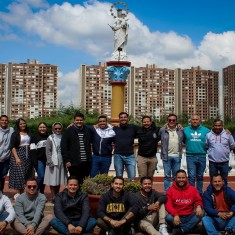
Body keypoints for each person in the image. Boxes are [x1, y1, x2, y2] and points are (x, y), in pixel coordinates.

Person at [165, 169, 203, 235]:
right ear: (175, 178)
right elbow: (168, 205)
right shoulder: (170, 190)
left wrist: (199, 206)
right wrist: (175, 214)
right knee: (168, 217)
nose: (181, 180)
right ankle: (190, 228)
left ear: (186, 178)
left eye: (183, 177)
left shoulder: (192, 189)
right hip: (177, 216)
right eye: (179, 178)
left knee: (203, 212)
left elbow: (198, 200)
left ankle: (182, 229)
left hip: (190, 216)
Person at [61, 112, 92, 184]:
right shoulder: (68, 131)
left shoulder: (87, 130)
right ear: (74, 120)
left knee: (84, 181)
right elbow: (64, 146)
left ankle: (82, 195)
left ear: (83, 120)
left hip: (86, 162)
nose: (79, 122)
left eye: (81, 120)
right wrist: (67, 160)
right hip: (73, 162)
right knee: (74, 180)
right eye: (77, 120)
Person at [183, 114, 210, 195]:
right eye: (193, 119)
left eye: (196, 119)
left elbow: (215, 134)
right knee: (191, 176)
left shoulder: (206, 130)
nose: (194, 121)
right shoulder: (185, 130)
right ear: (190, 121)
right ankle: (191, 193)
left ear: (199, 121)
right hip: (190, 156)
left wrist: (225, 130)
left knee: (200, 176)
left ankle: (199, 193)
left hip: (202, 156)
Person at [9, 118, 34, 199]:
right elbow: (12, 147)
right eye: (20, 124)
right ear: (18, 125)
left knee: (27, 173)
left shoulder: (29, 133)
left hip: (28, 154)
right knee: (19, 174)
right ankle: (18, 193)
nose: (23, 125)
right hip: (18, 153)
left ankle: (24, 192)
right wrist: (17, 158)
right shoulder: (15, 134)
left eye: (24, 123)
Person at [158, 114, 184, 192]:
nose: (171, 121)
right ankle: (167, 192)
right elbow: (157, 137)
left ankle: (176, 191)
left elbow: (185, 139)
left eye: (173, 120)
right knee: (167, 176)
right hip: (166, 156)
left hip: (177, 156)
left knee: (176, 177)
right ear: (167, 121)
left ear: (176, 121)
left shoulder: (180, 130)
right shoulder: (163, 130)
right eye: (170, 120)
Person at [206, 119, 235, 185]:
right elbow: (207, 146)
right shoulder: (208, 135)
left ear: (222, 126)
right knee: (213, 181)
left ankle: (224, 194)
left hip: (224, 162)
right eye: (216, 125)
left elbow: (232, 145)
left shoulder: (228, 134)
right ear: (213, 126)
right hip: (213, 162)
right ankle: (212, 195)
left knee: (224, 181)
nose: (217, 127)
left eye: (219, 125)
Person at [44, 122, 67, 202]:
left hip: (61, 161)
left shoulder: (63, 137)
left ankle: (57, 196)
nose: (57, 130)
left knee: (58, 180)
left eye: (59, 128)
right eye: (56, 128)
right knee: (53, 180)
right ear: (53, 129)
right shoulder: (50, 137)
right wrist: (50, 161)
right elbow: (48, 151)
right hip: (53, 161)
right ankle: (53, 196)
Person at [113, 112, 138, 180]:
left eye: (125, 117)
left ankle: (130, 191)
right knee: (119, 176)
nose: (123, 118)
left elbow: (144, 132)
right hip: (118, 155)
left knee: (132, 177)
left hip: (130, 155)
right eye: (121, 117)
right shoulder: (115, 129)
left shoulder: (133, 128)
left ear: (128, 118)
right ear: (119, 119)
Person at [30, 122, 49, 194]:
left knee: (44, 178)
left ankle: (41, 193)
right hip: (39, 160)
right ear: (38, 128)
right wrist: (35, 162)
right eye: (41, 127)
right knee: (41, 176)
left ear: (46, 128)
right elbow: (32, 150)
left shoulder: (49, 137)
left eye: (44, 127)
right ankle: (33, 191)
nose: (42, 129)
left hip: (47, 161)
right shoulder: (34, 137)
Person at [0, 115, 14, 192]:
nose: (4, 122)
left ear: (8, 122)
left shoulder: (11, 130)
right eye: (2, 120)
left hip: (6, 158)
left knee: (3, 176)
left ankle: (1, 192)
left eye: (6, 120)